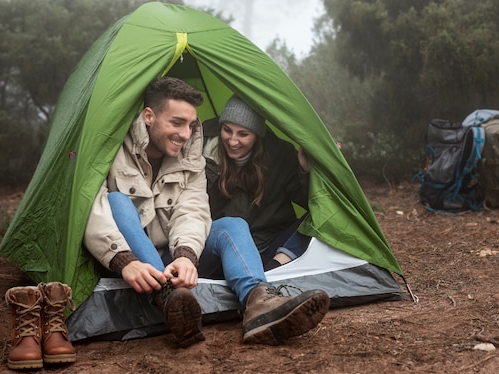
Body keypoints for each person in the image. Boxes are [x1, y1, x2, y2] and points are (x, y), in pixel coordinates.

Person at [83, 77, 330, 347]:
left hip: (174, 253)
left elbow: (193, 208)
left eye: (190, 125)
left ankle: (259, 301)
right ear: (149, 116)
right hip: (133, 259)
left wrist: (186, 255)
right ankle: (169, 298)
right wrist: (124, 260)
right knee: (118, 201)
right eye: (176, 123)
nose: (186, 135)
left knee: (232, 225)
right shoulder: (110, 148)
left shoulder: (190, 156)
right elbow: (91, 211)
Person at [203, 95, 312, 270]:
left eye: (243, 134)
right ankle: (260, 279)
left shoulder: (280, 156)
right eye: (227, 130)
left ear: (257, 135)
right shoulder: (204, 152)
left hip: (269, 246)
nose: (232, 141)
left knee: (319, 217)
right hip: (224, 249)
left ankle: (272, 269)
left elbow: (307, 201)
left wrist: (305, 171)